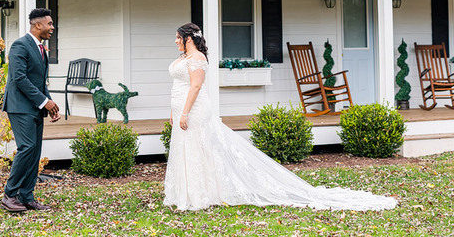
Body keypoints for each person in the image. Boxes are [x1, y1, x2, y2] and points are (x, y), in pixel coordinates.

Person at [163, 23, 397, 212]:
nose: (175, 41)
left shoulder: (198, 60)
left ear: (189, 39)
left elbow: (195, 87)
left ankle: (199, 195)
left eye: (177, 37)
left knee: (197, 149)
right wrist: (173, 112)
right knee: (186, 148)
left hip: (195, 110)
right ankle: (186, 192)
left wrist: (184, 112)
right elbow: (178, 86)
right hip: (181, 109)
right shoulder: (183, 59)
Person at [0, 8, 61, 213]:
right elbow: (20, 79)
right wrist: (44, 102)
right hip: (19, 106)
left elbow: (39, 81)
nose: (52, 27)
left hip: (35, 106)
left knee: (34, 152)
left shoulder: (41, 48)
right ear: (37, 25)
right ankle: (10, 195)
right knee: (26, 147)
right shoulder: (20, 45)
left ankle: (26, 196)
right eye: (49, 24)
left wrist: (49, 104)